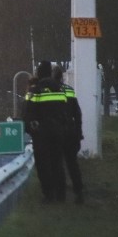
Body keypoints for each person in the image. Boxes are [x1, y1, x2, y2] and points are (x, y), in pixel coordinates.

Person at [22, 61, 69, 203]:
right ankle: (61, 194)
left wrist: (29, 129)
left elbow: (27, 112)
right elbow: (65, 110)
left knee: (43, 164)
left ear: (39, 72)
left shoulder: (36, 89)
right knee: (57, 163)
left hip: (41, 133)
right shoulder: (59, 89)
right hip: (58, 131)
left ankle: (49, 194)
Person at [52, 65, 84, 204]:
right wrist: (79, 131)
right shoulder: (70, 91)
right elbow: (77, 113)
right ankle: (79, 190)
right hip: (71, 131)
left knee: (58, 163)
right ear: (62, 76)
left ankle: (61, 195)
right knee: (72, 163)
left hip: (58, 132)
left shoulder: (50, 91)